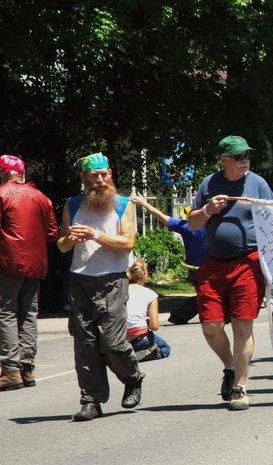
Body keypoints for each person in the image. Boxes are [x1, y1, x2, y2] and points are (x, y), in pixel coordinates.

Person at [188, 136, 273, 411]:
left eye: (247, 155)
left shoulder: (257, 184)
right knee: (211, 328)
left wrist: (260, 210)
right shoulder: (209, 184)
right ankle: (230, 366)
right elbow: (192, 223)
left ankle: (240, 387)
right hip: (213, 262)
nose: (244, 160)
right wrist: (208, 210)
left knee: (241, 325)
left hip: (248, 261)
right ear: (224, 160)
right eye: (238, 157)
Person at [57, 153, 144, 421]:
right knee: (85, 344)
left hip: (112, 280)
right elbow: (61, 245)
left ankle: (132, 377)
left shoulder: (122, 205)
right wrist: (70, 239)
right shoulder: (72, 205)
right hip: (81, 281)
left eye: (104, 174)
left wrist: (94, 235)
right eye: (94, 175)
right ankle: (91, 400)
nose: (100, 180)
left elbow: (128, 243)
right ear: (83, 178)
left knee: (113, 342)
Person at [0, 155, 59, 391]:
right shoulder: (41, 198)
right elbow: (52, 233)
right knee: (29, 314)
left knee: (5, 313)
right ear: (22, 173)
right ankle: (27, 367)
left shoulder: (2, 194)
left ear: (4, 172)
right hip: (36, 264)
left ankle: (10, 369)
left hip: (8, 263)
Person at [129, 193, 206, 325]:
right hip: (205, 269)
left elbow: (162, 217)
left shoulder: (186, 226)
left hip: (195, 269)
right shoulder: (206, 226)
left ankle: (219, 316)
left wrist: (144, 203)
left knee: (206, 295)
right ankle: (179, 315)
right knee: (207, 295)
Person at [125, 258, 171, 362]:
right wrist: (146, 319)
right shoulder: (149, 294)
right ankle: (142, 354)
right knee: (165, 348)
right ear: (143, 274)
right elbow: (154, 326)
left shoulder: (117, 292)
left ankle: (123, 356)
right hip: (139, 339)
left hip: (118, 340)